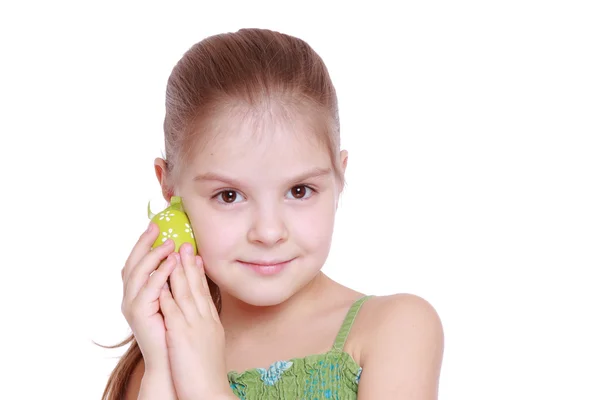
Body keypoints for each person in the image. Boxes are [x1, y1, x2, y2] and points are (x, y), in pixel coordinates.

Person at [99, 27, 444, 400]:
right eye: (229, 196)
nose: (268, 232)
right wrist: (162, 369)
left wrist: (204, 385)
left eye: (299, 191)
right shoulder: (156, 362)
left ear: (339, 176)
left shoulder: (396, 329)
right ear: (170, 190)